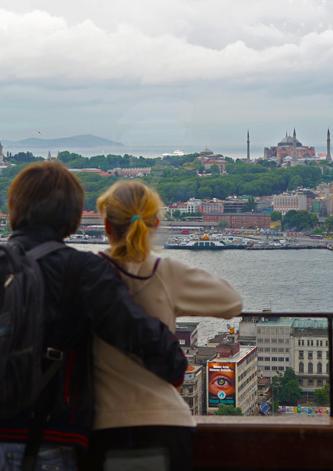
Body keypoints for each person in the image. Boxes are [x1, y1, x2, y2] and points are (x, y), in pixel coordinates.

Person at [0, 161, 187, 471]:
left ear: (13, 209)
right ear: (73, 217)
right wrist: (176, 367)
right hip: (42, 438)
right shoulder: (81, 269)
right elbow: (133, 331)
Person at [87, 180, 243, 471]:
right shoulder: (165, 272)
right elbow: (232, 302)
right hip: (165, 424)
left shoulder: (85, 273)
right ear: (155, 225)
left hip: (104, 423)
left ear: (106, 226)